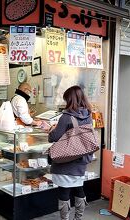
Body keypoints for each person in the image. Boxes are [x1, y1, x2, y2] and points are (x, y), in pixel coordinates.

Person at [47, 85, 93, 220]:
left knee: (64, 191)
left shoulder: (66, 117)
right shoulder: (88, 115)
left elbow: (55, 137)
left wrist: (51, 129)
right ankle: (78, 218)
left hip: (66, 160)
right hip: (81, 160)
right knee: (79, 189)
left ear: (70, 99)